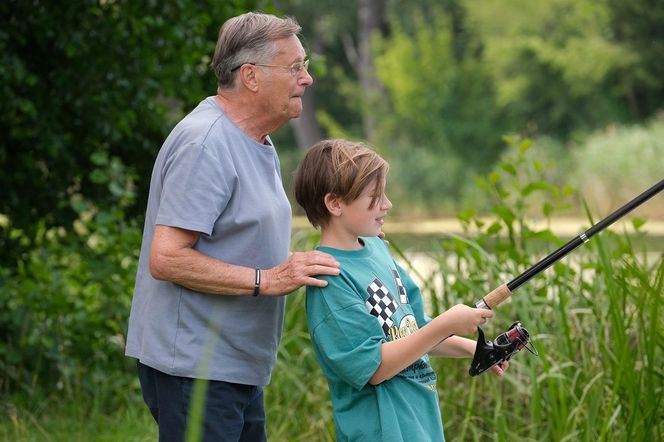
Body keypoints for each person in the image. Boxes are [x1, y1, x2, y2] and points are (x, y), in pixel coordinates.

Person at [124, 12, 340, 442]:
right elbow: (166, 259)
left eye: (306, 65)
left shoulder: (257, 140)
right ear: (251, 77)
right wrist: (267, 280)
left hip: (234, 365)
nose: (307, 79)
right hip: (194, 367)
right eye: (295, 67)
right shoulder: (205, 144)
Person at [293, 139, 508, 441]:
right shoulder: (331, 280)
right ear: (335, 203)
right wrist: (447, 323)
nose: (387, 204)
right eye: (374, 196)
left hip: (420, 424)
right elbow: (375, 367)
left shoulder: (378, 251)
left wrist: (472, 348)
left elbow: (411, 332)